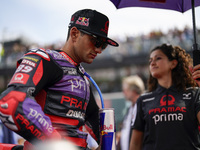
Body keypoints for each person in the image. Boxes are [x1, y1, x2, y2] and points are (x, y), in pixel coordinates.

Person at [0, 9, 118, 150]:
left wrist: (107, 145)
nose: (99, 50)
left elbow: (93, 116)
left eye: (103, 45)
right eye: (96, 41)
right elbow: (11, 102)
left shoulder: (84, 77)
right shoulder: (45, 59)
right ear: (74, 34)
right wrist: (56, 143)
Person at [129, 43, 200, 150]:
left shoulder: (193, 94)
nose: (152, 63)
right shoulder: (143, 100)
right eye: (150, 60)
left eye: (158, 58)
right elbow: (135, 144)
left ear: (173, 63)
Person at [117, 75, 145, 150]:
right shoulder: (130, 108)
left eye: (126, 90)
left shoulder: (143, 107)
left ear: (134, 90)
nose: (124, 93)